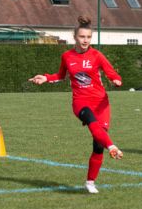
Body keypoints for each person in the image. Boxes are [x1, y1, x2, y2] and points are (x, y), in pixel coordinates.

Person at [29, 16, 123, 193]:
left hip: (101, 102)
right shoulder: (67, 56)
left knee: (97, 144)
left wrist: (116, 80)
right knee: (92, 124)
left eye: (88, 37)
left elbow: (111, 73)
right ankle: (112, 147)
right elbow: (60, 75)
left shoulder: (97, 55)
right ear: (75, 37)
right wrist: (45, 77)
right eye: (82, 37)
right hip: (80, 102)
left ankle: (90, 182)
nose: (85, 40)